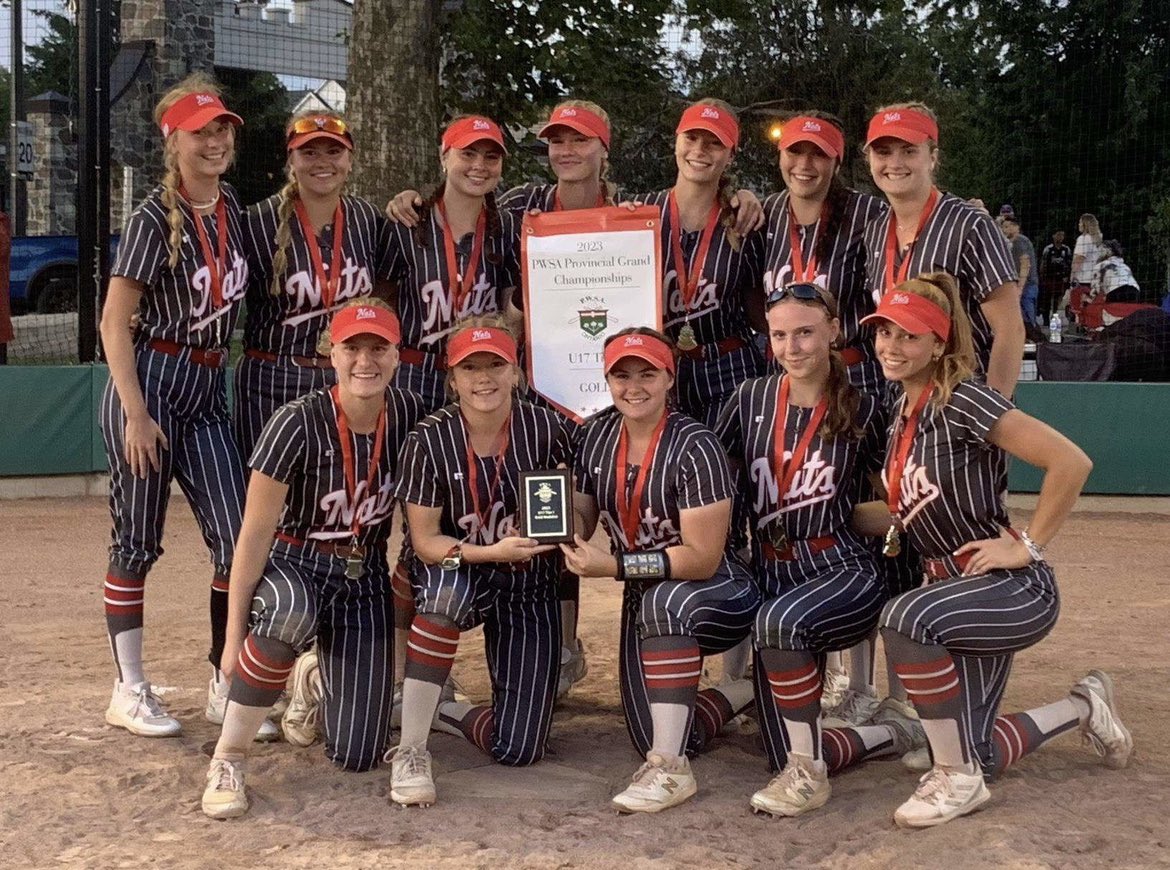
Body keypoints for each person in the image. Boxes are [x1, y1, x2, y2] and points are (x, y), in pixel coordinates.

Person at [855, 273, 1131, 828]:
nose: (891, 345)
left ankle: (955, 780)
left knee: (905, 619)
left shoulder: (964, 398)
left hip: (1005, 587)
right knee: (975, 751)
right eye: (885, 331)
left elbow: (1071, 462)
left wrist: (1026, 545)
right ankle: (1084, 706)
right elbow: (902, 512)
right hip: (952, 591)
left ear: (939, 343)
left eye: (909, 335)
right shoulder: (900, 413)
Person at [200, 301, 425, 818]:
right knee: (288, 612)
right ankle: (229, 757)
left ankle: (312, 679)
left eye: (378, 348)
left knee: (358, 753)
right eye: (352, 348)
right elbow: (253, 537)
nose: (364, 361)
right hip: (294, 563)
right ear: (331, 353)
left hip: (362, 572)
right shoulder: (296, 422)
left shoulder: (412, 416)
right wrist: (232, 640)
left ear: (397, 357)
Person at [96, 73, 271, 739]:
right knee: (137, 541)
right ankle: (129, 686)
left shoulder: (232, 210)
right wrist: (136, 414)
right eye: (203, 131)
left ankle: (223, 679)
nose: (217, 141)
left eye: (223, 128)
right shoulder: (150, 217)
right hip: (152, 379)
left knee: (236, 539)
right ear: (174, 141)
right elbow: (114, 322)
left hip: (206, 385)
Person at [715, 282, 925, 817]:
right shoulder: (750, 398)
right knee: (776, 743)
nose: (792, 347)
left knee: (778, 627)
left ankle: (808, 776)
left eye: (805, 332)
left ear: (834, 331)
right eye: (780, 335)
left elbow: (897, 503)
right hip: (769, 567)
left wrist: (869, 536)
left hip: (840, 566)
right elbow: (712, 478)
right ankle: (887, 733)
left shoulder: (870, 407)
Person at [562, 328, 760, 814]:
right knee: (656, 728)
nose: (634, 386)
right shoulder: (595, 434)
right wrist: (556, 522)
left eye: (646, 374)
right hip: (644, 591)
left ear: (669, 377)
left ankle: (670, 770)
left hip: (717, 587)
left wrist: (611, 565)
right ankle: (745, 690)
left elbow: (701, 557)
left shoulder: (696, 443)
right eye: (621, 375)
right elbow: (584, 517)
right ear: (607, 380)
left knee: (665, 600)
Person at [386, 316, 573, 807]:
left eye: (496, 364)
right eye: (471, 367)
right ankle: (412, 748)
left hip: (526, 578)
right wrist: (490, 551)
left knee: (520, 748)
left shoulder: (547, 426)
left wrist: (549, 528)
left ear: (516, 372)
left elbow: (575, 510)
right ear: (452, 378)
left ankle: (444, 710)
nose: (484, 377)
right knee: (445, 597)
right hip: (456, 566)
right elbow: (425, 541)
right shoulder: (428, 438)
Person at [759, 112, 889, 714]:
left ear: (838, 164)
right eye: (794, 153)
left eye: (818, 156)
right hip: (790, 369)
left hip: (855, 374)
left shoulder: (862, 214)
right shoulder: (763, 215)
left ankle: (858, 682)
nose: (804, 166)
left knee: (852, 509)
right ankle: (770, 670)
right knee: (787, 500)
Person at [234, 111, 389, 461]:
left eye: (333, 152)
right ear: (291, 159)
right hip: (271, 379)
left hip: (343, 379)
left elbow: (387, 288)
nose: (323, 162)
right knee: (266, 497)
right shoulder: (258, 222)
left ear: (350, 159)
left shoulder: (368, 220)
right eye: (309, 152)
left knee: (338, 489)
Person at [862, 102, 1024, 398]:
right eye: (883, 151)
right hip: (901, 405)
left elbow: (1010, 330)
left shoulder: (969, 225)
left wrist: (992, 414)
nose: (894, 163)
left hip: (961, 405)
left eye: (909, 150)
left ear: (933, 158)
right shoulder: (874, 231)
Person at [999, 216, 1042, 340]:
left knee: (1028, 317)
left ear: (1016, 227)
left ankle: (1034, 342)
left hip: (1027, 285)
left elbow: (1025, 263)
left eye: (1007, 227)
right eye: (1003, 227)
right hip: (1020, 285)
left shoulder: (1019, 241)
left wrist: (1020, 287)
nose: (1004, 230)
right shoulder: (1010, 243)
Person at [1039, 229, 1072, 326]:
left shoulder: (1066, 249)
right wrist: (1042, 276)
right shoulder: (1048, 249)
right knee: (1047, 299)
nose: (1060, 237)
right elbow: (1043, 263)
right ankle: (1045, 319)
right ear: (1053, 236)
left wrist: (1067, 276)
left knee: (1058, 298)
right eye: (1058, 235)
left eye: (1062, 235)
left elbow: (1069, 263)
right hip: (1049, 278)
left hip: (1061, 278)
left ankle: (1054, 316)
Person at [1070, 213, 1105, 297]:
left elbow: (1079, 259)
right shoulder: (1098, 240)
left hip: (1082, 279)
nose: (1079, 224)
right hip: (1095, 279)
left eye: (1080, 222)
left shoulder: (1083, 239)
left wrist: (1072, 276)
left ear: (1085, 224)